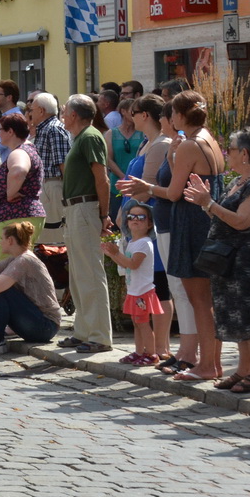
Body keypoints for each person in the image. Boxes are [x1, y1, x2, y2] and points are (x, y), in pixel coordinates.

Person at [121, 93, 224, 382]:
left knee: (199, 300)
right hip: (202, 220)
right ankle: (209, 362)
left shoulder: (192, 144)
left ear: (179, 116)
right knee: (202, 299)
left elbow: (175, 192)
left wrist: (147, 188)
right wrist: (170, 157)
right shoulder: (207, 139)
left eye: (173, 113)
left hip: (192, 223)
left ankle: (207, 364)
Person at [182, 127, 250, 392]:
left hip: (248, 260)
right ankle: (243, 370)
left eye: (231, 149)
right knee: (237, 316)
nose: (227, 153)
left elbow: (244, 221)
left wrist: (209, 203)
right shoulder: (241, 180)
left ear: (244, 154)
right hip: (230, 260)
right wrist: (206, 204)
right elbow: (225, 216)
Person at [58, 95, 113, 354]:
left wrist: (104, 215)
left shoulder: (90, 136)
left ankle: (99, 336)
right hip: (75, 209)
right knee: (79, 275)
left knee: (90, 272)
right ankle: (84, 331)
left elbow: (102, 179)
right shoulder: (81, 137)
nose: (62, 113)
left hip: (85, 208)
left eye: (65, 110)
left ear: (75, 114)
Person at [0, 220, 63, 353]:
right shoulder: (13, 260)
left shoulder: (25, 260)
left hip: (45, 326)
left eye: (2, 238)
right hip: (34, 322)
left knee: (0, 290)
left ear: (10, 240)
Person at [0, 115, 44, 253]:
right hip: (20, 215)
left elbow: (18, 170)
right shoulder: (27, 149)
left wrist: (10, 194)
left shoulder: (19, 152)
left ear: (10, 131)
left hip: (13, 217)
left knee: (12, 269)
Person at [105, 204, 162, 363]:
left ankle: (151, 354)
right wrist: (112, 254)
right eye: (131, 217)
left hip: (142, 292)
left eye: (141, 217)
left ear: (149, 224)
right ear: (127, 222)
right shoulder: (132, 242)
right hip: (134, 291)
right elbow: (124, 264)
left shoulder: (144, 243)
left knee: (143, 324)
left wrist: (116, 253)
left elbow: (133, 264)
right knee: (137, 323)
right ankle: (139, 352)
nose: (135, 220)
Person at [28, 93, 70, 240]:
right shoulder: (44, 128)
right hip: (46, 187)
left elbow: (64, 165)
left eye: (32, 109)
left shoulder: (54, 129)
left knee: (55, 239)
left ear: (41, 110)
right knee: (45, 237)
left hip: (53, 186)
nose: (30, 113)